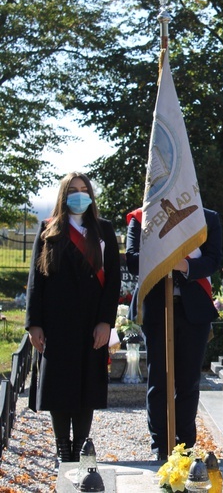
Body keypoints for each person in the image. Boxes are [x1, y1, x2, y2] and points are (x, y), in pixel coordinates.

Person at [25, 172, 121, 463]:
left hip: (92, 323)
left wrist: (106, 321)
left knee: (86, 385)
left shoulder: (103, 230)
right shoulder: (49, 230)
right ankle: (62, 448)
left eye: (84, 189)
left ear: (91, 195)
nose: (79, 195)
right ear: (63, 196)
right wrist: (34, 324)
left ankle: (81, 446)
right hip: (56, 323)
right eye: (73, 190)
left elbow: (113, 279)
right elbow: (35, 281)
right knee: (59, 385)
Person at [126, 206, 222, 459]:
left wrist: (181, 264)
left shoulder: (207, 218)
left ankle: (185, 446)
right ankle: (160, 446)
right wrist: (163, 258)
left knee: (189, 381)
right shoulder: (141, 218)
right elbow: (133, 260)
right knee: (159, 379)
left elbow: (213, 259)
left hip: (194, 311)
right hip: (157, 309)